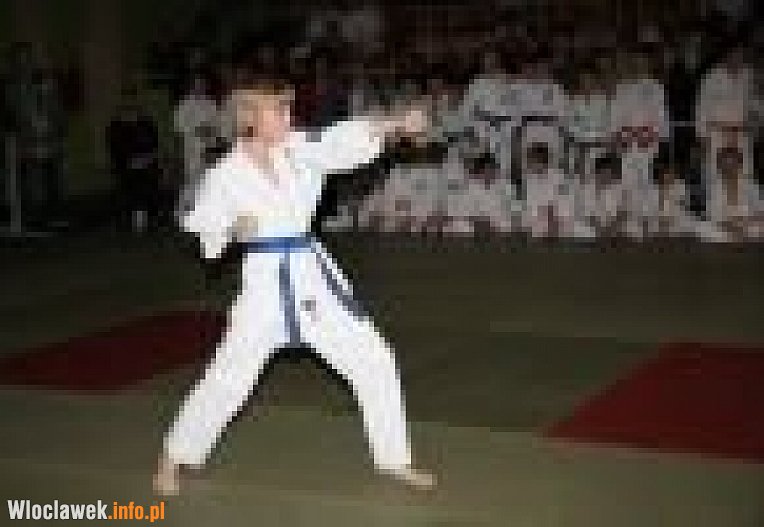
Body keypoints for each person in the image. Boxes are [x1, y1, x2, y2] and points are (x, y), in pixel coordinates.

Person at [154, 79, 435, 495]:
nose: (288, 117)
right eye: (278, 110)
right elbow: (206, 236)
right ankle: (174, 456)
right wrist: (233, 230)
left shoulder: (300, 149)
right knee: (230, 375)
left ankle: (395, 459)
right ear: (249, 118)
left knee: (374, 358)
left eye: (288, 109)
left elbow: (340, 140)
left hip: (311, 276)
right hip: (263, 284)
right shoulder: (224, 175)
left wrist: (394, 123)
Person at [106, 100, 161, 232]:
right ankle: (133, 220)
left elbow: (154, 142)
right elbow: (115, 147)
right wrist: (129, 159)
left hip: (145, 164)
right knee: (131, 192)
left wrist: (148, 157)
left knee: (147, 190)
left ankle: (146, 219)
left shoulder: (146, 124)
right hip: (127, 166)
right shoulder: (117, 127)